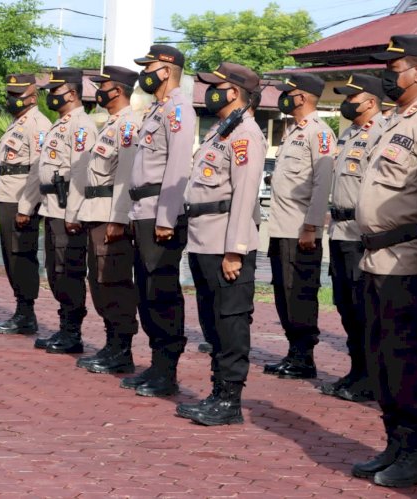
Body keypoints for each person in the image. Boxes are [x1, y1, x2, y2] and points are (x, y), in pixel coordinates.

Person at [351, 34, 417, 488]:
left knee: (407, 360)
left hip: (409, 263)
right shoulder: (396, 121)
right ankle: (395, 443)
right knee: (383, 360)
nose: (387, 78)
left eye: (394, 71)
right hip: (378, 259)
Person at [175, 62, 265, 425]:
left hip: (226, 243)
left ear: (233, 92)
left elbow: (244, 196)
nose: (208, 91)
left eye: (215, 86)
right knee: (213, 323)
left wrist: (235, 250)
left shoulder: (246, 134)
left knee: (231, 323)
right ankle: (217, 392)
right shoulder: (221, 132)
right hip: (203, 239)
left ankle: (230, 401)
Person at [118, 45, 195, 397]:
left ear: (165, 70)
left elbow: (177, 166)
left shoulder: (179, 108)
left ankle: (168, 371)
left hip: (160, 214)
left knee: (162, 292)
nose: (144, 72)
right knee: (146, 292)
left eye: (148, 66)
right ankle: (156, 365)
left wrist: (166, 217)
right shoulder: (158, 109)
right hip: (143, 211)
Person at [264, 73, 335, 379]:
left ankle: (304, 356)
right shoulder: (294, 132)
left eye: (288, 93)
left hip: (300, 230)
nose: (284, 98)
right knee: (283, 291)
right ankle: (294, 352)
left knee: (300, 294)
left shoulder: (319, 134)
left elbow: (322, 184)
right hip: (281, 228)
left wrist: (311, 225)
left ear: (303, 97)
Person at [319, 74, 384, 402]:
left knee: (363, 309)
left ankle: (371, 377)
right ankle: (357, 370)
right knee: (345, 305)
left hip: (361, 234)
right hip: (340, 231)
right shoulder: (349, 134)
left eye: (352, 98)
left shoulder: (381, 133)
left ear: (371, 102)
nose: (346, 103)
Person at [23, 68, 97, 354]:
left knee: (69, 271)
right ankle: (65, 326)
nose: (51, 96)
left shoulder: (81, 126)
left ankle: (72, 332)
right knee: (55, 270)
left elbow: (80, 173)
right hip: (52, 206)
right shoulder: (61, 124)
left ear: (73, 93)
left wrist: (73, 214)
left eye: (56, 91)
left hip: (67, 208)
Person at [75, 66, 140, 374]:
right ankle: (111, 343)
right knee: (98, 281)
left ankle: (121, 348)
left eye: (104, 86)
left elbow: (126, 177)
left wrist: (119, 218)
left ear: (119, 91)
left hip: (110, 217)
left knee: (113, 281)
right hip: (95, 213)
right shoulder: (110, 125)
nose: (99, 91)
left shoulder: (128, 125)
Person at [0, 73, 50, 335]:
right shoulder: (18, 123)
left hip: (21, 200)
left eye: (17, 95)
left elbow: (38, 169)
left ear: (32, 97)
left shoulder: (37, 123)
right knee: (10, 255)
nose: (12, 100)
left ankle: (26, 313)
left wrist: (27, 206)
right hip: (8, 196)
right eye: (10, 95)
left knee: (21, 256)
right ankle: (21, 309)